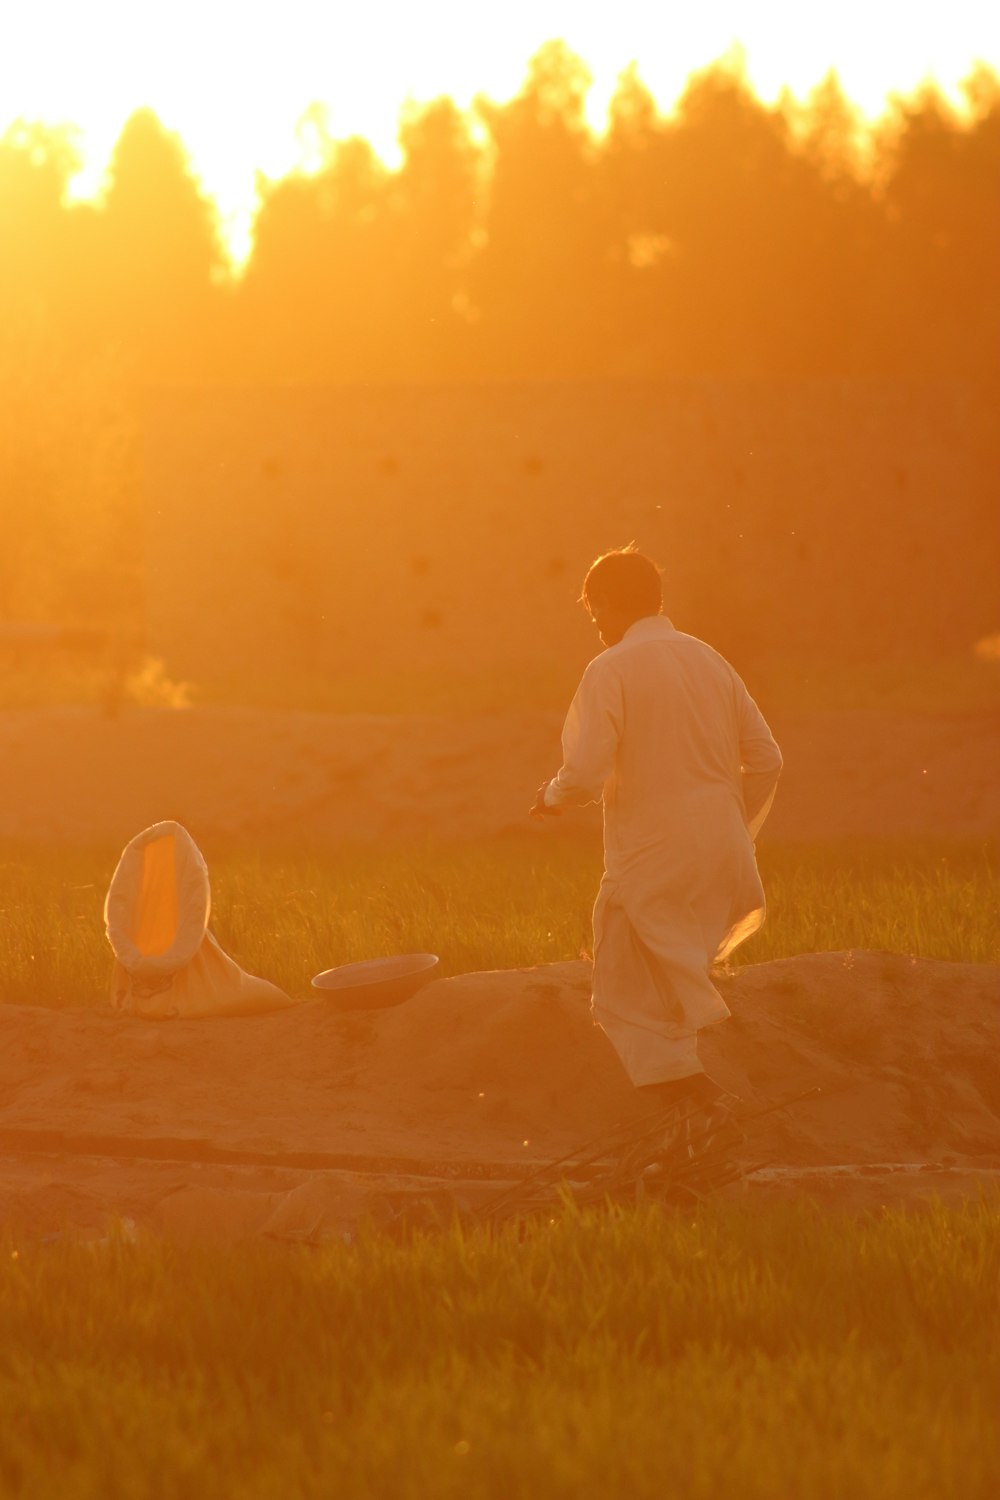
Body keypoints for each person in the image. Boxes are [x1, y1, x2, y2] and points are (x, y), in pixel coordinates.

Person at [530, 545, 782, 1118]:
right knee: (666, 987)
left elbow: (587, 771)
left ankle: (701, 1109)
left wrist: (549, 797)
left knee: (621, 992)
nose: (593, 623)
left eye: (594, 610)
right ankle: (689, 1127)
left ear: (610, 604)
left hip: (651, 856)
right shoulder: (710, 660)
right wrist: (728, 826)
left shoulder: (610, 669)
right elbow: (767, 759)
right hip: (722, 852)